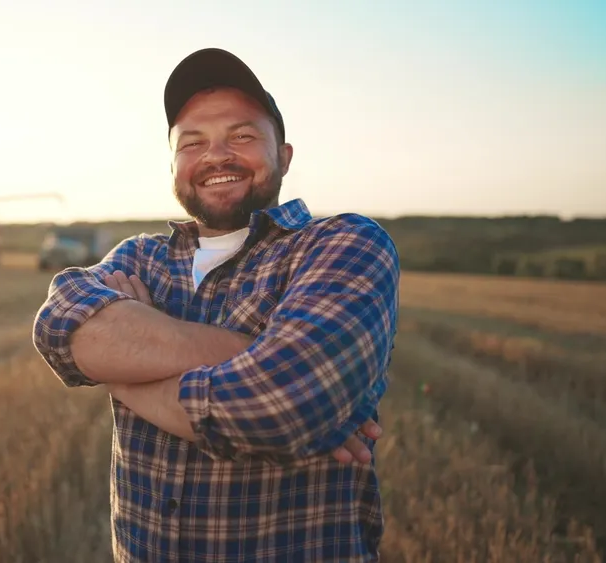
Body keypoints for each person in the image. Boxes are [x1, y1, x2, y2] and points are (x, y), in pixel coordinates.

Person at [31, 47, 399, 562]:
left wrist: (120, 372)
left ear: (285, 156)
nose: (215, 155)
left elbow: (278, 407)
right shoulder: (140, 257)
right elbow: (57, 329)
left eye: (242, 136)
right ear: (175, 165)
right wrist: (258, 356)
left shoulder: (342, 245)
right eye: (192, 142)